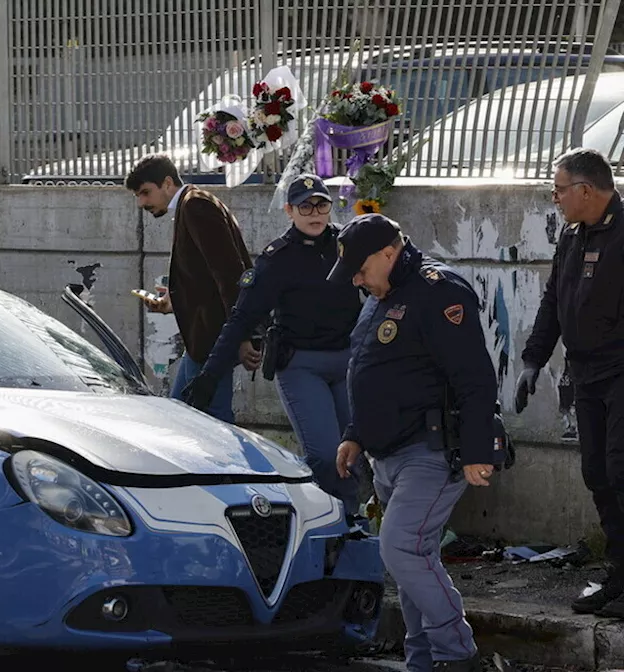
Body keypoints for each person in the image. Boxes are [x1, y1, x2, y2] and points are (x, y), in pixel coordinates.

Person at [331, 213, 499, 672]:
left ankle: (458, 655)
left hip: (432, 450)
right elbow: (366, 369)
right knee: (411, 564)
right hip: (385, 452)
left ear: (390, 252)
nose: (357, 280)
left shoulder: (438, 290)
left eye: (361, 270)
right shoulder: (380, 293)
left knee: (400, 547)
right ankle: (422, 659)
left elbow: (475, 378)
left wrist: (478, 450)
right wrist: (354, 435)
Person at [184, 175, 366, 517]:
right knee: (326, 456)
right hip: (302, 366)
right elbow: (241, 317)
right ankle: (325, 525)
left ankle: (352, 525)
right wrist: (210, 374)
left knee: (352, 453)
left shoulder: (348, 244)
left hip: (346, 362)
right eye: (305, 206)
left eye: (321, 204)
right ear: (289, 210)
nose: (315, 212)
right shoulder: (276, 258)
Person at [515, 148, 624, 616]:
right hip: (586, 374)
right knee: (596, 473)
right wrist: (533, 359)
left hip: (621, 371)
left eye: (559, 189)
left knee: (622, 471)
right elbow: (554, 298)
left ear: (585, 190)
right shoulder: (573, 234)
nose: (555, 197)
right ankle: (621, 571)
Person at [124, 153, 257, 423]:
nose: (142, 203)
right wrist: (171, 302)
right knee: (179, 417)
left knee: (211, 423)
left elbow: (229, 275)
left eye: (146, 193)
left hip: (212, 340)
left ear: (168, 182)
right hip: (203, 340)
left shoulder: (196, 206)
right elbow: (206, 279)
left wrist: (243, 337)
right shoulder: (193, 204)